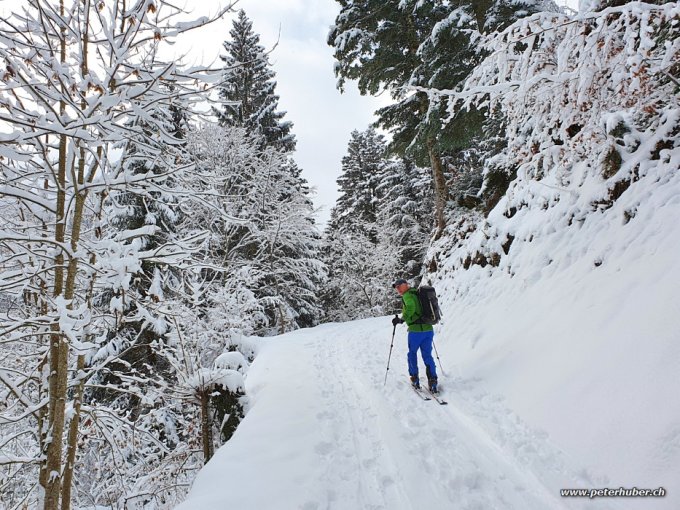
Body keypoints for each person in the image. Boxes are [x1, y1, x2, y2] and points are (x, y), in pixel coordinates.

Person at [391, 278, 438, 393]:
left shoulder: (407, 296)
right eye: (396, 287)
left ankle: (414, 379)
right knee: (427, 355)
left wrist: (402, 319)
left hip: (416, 332)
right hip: (428, 329)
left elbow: (411, 307)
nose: (398, 289)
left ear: (406, 285)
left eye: (399, 286)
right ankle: (433, 381)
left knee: (412, 353)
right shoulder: (417, 293)